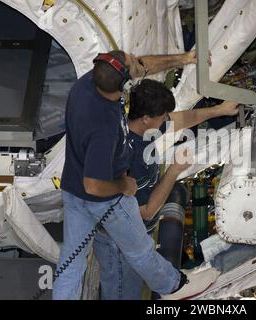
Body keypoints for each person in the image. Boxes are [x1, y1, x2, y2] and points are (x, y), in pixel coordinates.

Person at [52, 50, 220, 300]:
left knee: (71, 266)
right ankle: (173, 287)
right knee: (140, 250)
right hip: (103, 197)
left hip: (72, 190)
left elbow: (142, 66)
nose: (136, 61)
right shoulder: (104, 127)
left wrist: (184, 58)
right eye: (132, 63)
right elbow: (94, 185)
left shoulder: (87, 84)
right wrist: (124, 185)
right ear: (124, 83)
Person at [93, 79, 239, 300]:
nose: (166, 122)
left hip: (137, 234)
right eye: (162, 117)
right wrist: (174, 171)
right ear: (146, 118)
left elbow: (183, 119)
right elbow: (147, 211)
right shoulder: (129, 158)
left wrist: (221, 109)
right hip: (119, 244)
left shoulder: (136, 122)